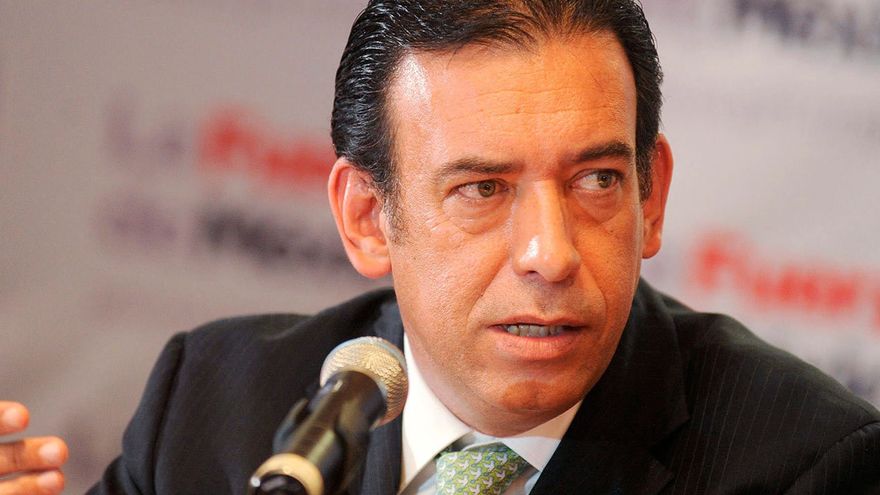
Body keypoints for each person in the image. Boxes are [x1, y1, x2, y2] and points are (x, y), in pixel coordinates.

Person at [4, 0, 879, 493]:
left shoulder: (802, 466)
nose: (549, 254)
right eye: (483, 189)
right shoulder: (210, 406)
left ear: (652, 197)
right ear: (366, 217)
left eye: (596, 181)